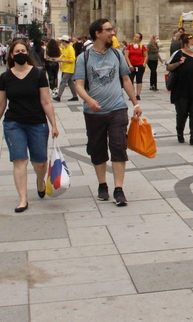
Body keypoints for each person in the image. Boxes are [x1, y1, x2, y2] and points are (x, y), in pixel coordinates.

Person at [74, 19, 143, 207]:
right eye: (109, 30)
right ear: (98, 33)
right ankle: (102, 184)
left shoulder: (117, 54)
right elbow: (78, 85)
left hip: (117, 109)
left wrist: (135, 103)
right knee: (97, 149)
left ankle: (118, 189)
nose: (112, 32)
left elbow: (126, 79)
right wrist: (89, 100)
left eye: (112, 29)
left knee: (119, 146)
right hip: (93, 112)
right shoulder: (84, 58)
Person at [0, 39, 59, 212]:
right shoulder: (5, 77)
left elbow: (46, 101)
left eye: (23, 50)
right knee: (19, 160)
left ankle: (40, 181)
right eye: (17, 51)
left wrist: (54, 124)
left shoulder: (38, 74)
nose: (20, 54)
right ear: (11, 55)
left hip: (37, 122)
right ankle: (23, 199)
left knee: (40, 162)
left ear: (27, 53)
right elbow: (0, 104)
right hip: (14, 123)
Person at [166, 34, 193, 146]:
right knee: (182, 113)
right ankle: (180, 133)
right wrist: (179, 63)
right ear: (185, 44)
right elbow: (168, 67)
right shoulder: (179, 53)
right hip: (181, 89)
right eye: (192, 43)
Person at [53, 35, 78, 102]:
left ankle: (59, 96)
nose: (61, 42)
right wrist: (57, 59)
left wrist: (61, 60)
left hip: (69, 69)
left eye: (61, 41)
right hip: (65, 68)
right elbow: (62, 57)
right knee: (70, 83)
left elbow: (72, 59)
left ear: (64, 41)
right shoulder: (65, 48)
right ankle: (75, 96)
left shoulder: (70, 49)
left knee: (63, 82)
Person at [124, 33, 147, 98]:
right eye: (134, 36)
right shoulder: (129, 46)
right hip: (131, 65)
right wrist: (130, 64)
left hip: (140, 65)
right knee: (131, 80)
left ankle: (138, 94)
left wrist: (144, 64)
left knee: (139, 80)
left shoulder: (142, 46)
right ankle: (132, 94)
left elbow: (145, 55)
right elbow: (126, 55)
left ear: (140, 39)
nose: (135, 38)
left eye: (137, 37)